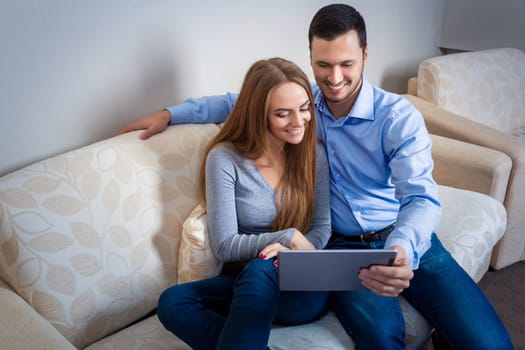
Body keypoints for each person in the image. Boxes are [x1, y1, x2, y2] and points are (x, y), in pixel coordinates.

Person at [118, 4, 512, 349]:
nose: (335, 77)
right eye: (323, 65)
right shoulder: (303, 102)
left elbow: (421, 198)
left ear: (365, 55)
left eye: (347, 64)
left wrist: (404, 248)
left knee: (489, 343)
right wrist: (170, 113)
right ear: (310, 58)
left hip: (404, 235)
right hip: (341, 249)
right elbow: (237, 103)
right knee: (379, 335)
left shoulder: (396, 118)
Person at [156, 57, 332, 350]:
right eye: (282, 114)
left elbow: (322, 225)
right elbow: (225, 244)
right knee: (173, 302)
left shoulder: (314, 154)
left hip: (303, 286)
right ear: (258, 113)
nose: (299, 122)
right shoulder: (225, 159)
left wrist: (302, 250)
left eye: (304, 109)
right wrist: (286, 236)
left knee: (261, 268)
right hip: (247, 285)